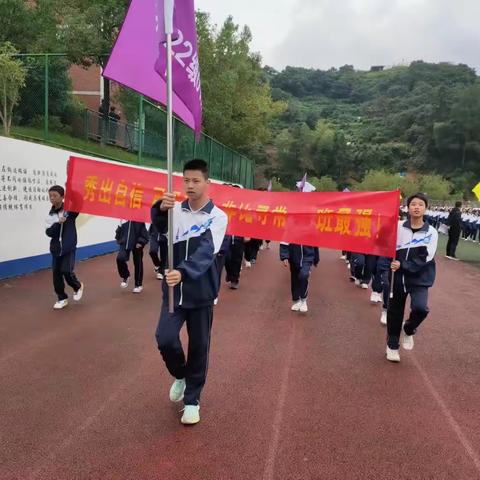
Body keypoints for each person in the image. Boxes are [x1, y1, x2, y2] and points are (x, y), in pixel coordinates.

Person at [152, 159, 228, 425]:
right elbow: (158, 230)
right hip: (173, 291)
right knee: (164, 338)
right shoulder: (175, 210)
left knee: (199, 346)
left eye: (196, 181)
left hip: (200, 293)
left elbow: (207, 252)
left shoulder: (218, 217)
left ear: (208, 183)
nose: (190, 185)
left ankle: (193, 400)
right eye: (186, 180)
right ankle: (181, 375)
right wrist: (160, 210)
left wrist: (183, 272)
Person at [386, 193, 438, 363]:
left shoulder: (431, 232)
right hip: (398, 277)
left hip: (420, 278)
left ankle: (409, 328)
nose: (416, 207)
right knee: (395, 311)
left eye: (420, 204)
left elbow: (426, 257)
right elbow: (384, 242)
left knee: (420, 308)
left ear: (425, 208)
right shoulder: (398, 226)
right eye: (413, 204)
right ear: (407, 208)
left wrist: (404, 265)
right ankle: (392, 345)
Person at [45, 185, 84, 310]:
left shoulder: (69, 212)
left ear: (62, 197)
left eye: (55, 195)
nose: (52, 198)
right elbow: (49, 232)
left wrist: (71, 191)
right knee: (56, 275)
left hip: (68, 247)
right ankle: (62, 298)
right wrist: (58, 223)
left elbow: (79, 201)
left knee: (66, 271)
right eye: (50, 195)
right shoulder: (50, 215)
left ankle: (77, 286)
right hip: (56, 249)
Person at [280, 242, 319, 313]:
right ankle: (296, 300)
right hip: (294, 256)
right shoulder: (290, 230)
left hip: (308, 256)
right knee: (295, 278)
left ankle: (303, 300)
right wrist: (284, 256)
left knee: (304, 275)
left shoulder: (311, 230)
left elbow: (315, 242)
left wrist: (316, 258)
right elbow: (284, 241)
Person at [115, 220, 149, 293]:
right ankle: (125, 276)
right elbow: (118, 235)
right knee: (120, 258)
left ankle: (138, 285)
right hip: (124, 243)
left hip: (137, 244)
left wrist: (140, 242)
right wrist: (119, 232)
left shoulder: (139, 220)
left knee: (138, 262)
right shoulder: (123, 220)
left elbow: (145, 235)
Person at [149, 199, 168, 279]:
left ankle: (161, 271)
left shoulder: (171, 212)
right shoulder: (154, 209)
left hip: (165, 236)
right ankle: (157, 264)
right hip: (155, 234)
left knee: (164, 255)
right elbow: (153, 219)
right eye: (163, 204)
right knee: (152, 251)